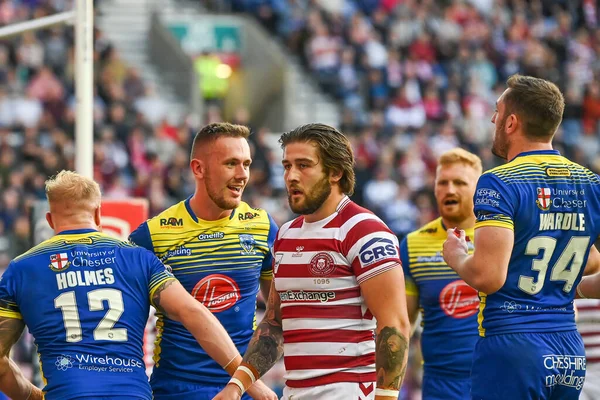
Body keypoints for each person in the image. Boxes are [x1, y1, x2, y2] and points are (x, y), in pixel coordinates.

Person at [0, 170, 259, 400]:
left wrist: (31, 395)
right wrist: (243, 378)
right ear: (99, 214)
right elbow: (193, 312)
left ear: (49, 220)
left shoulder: (21, 269)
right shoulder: (139, 258)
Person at [214, 123, 411, 400]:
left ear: (335, 172)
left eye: (303, 165)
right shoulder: (285, 234)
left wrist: (385, 397)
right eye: (286, 166)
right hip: (294, 393)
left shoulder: (364, 230)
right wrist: (236, 387)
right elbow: (274, 325)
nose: (291, 176)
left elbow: (395, 325)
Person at [443, 74, 600, 400]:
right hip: (569, 351)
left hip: (513, 346)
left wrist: (456, 254)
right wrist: (573, 288)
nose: (492, 118)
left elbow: (488, 276)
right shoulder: (590, 183)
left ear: (511, 122)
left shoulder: (499, 181)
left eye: (497, 112)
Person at [129, 122, 278, 400]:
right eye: (231, 163)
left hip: (245, 387)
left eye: (246, 164)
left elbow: (278, 316)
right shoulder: (153, 235)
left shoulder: (262, 226)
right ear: (198, 168)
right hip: (176, 389)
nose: (242, 174)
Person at [400, 148, 482, 399]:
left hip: (496, 376)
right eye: (443, 182)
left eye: (460, 183)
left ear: (478, 189)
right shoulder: (413, 244)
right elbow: (403, 324)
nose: (450, 189)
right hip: (440, 383)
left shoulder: (499, 237)